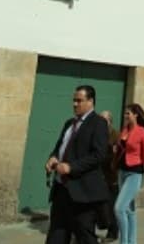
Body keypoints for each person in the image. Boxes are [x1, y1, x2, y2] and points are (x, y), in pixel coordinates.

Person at [44, 85, 110, 244]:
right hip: (61, 190)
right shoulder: (69, 123)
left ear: (90, 101)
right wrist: (52, 158)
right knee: (56, 235)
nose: (74, 104)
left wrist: (71, 167)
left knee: (84, 236)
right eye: (74, 100)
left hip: (83, 194)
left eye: (79, 100)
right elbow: (59, 147)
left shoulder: (98, 123)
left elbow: (99, 155)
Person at [115, 103, 144, 244]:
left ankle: (124, 242)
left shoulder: (142, 132)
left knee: (119, 209)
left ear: (136, 115)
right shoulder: (125, 130)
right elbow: (122, 147)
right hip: (122, 171)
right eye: (125, 113)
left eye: (128, 114)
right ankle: (132, 242)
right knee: (129, 210)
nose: (125, 116)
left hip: (135, 174)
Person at [97, 111, 120, 242]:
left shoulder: (115, 135)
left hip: (111, 177)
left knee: (111, 206)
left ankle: (112, 233)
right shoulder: (96, 134)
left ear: (110, 122)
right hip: (97, 177)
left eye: (104, 120)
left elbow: (116, 156)